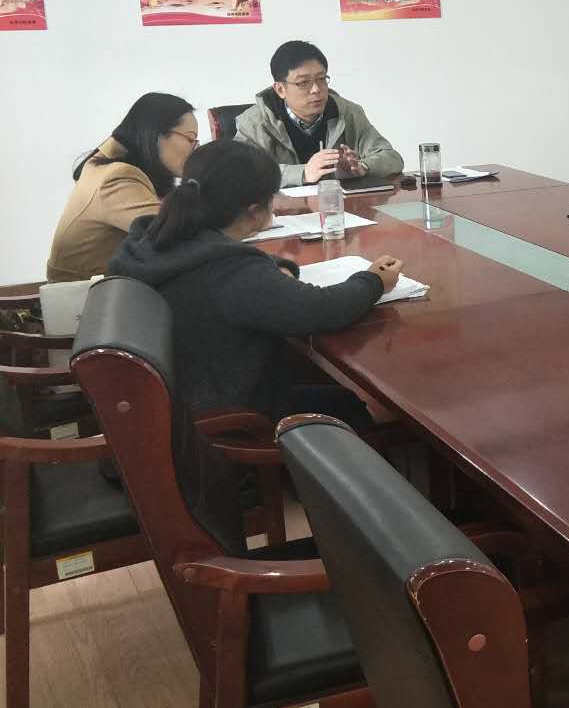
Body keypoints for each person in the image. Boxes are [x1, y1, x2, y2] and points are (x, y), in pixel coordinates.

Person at [107, 139, 404, 429]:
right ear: (255, 211)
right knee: (345, 406)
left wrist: (276, 268)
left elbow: (225, 268)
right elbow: (323, 309)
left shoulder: (148, 239)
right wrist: (374, 280)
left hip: (163, 409)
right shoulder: (230, 270)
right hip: (227, 422)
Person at [47, 93, 198, 282]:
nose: (194, 149)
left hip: (106, 290)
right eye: (190, 139)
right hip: (87, 296)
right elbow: (175, 235)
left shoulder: (109, 167)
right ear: (156, 134)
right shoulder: (118, 177)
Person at [235, 39, 403, 187]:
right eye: (303, 82)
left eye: (321, 79)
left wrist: (362, 167)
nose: (316, 89)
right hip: (281, 210)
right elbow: (241, 174)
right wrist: (303, 173)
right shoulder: (255, 122)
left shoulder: (347, 112)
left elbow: (391, 158)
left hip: (338, 206)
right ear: (280, 89)